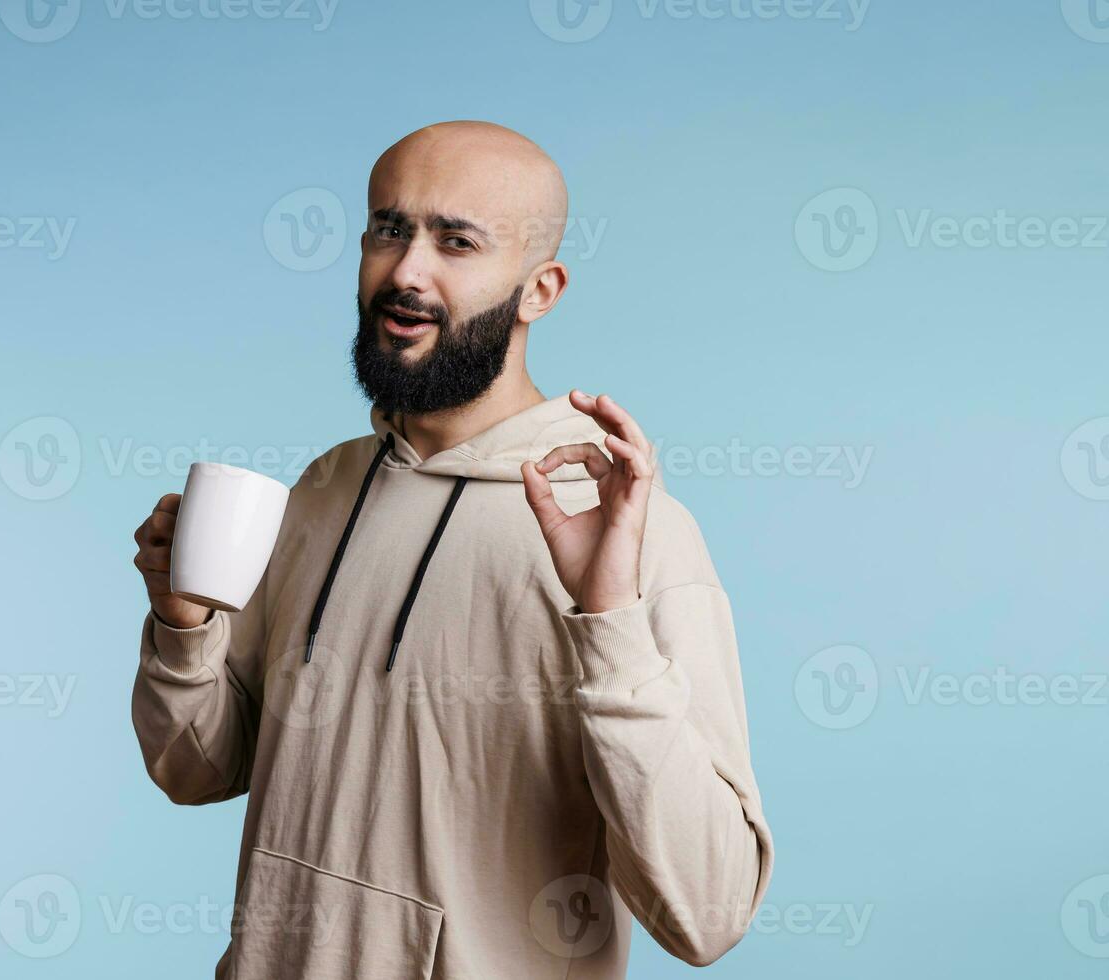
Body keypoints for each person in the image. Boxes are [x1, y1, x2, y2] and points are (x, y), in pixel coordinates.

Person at [131, 120, 774, 978]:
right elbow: (196, 768)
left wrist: (609, 620)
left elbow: (710, 913)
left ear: (539, 290)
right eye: (388, 230)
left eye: (457, 241)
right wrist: (183, 625)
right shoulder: (324, 489)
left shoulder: (632, 531)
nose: (406, 272)